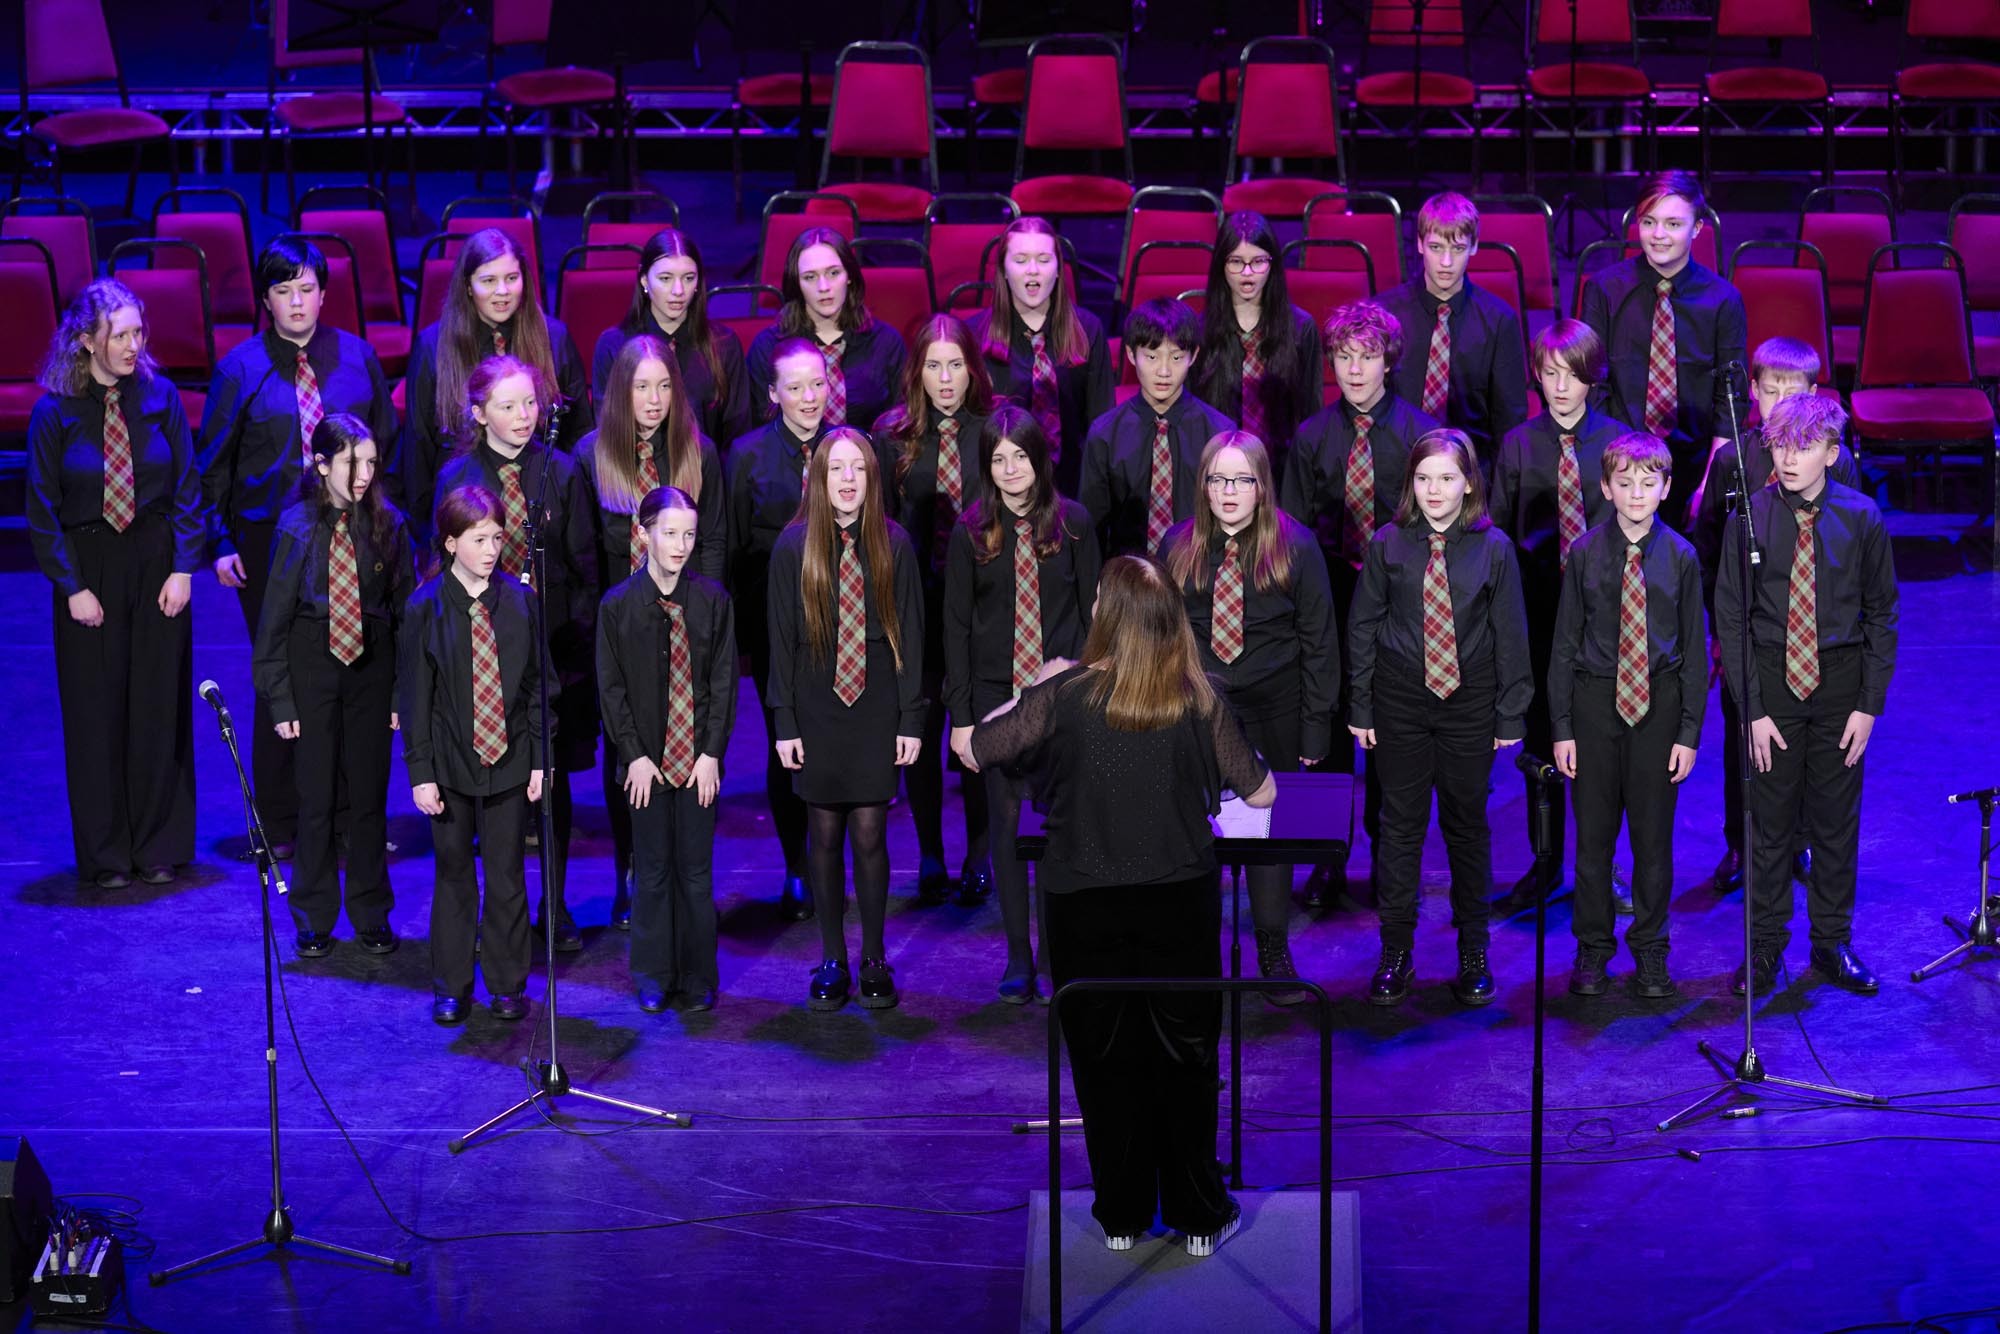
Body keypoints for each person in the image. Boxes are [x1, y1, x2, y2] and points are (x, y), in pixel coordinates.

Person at [970, 554, 1275, 1258]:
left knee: (1104, 1063)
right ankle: (1199, 1213)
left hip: (1084, 907)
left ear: (1106, 616)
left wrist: (1035, 684)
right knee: (1186, 1060)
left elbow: (981, 746)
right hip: (1178, 904)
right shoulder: (1194, 696)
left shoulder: (1066, 695)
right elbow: (1260, 794)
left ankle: (1122, 1215)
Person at [200, 236, 397, 857]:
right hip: (269, 540)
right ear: (265, 299)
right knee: (283, 668)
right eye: (283, 291)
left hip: (349, 529)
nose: (296, 302)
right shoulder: (239, 369)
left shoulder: (358, 358)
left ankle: (346, 812)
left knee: (351, 664)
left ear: (323, 293)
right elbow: (214, 466)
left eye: (307, 289)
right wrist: (220, 540)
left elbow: (386, 449)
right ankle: (282, 818)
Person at [1714, 394, 1897, 998]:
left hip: (1841, 686)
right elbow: (1732, 620)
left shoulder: (1863, 518)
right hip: (1773, 685)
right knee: (1768, 825)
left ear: (1831, 452)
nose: (1789, 459)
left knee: (1836, 822)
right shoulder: (1749, 518)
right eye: (1781, 445)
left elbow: (1882, 616)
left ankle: (1832, 944)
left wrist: (1868, 705)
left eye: (1804, 446)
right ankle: (1764, 949)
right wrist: (1753, 710)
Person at [26, 279, 202, 889]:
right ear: (85, 341)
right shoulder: (54, 412)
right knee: (96, 711)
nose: (133, 345)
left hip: (155, 561)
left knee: (157, 705)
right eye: (119, 335)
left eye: (137, 332)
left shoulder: (161, 397)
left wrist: (183, 568)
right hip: (89, 565)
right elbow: (42, 509)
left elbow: (187, 487)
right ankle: (104, 854)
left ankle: (158, 843)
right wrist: (71, 585)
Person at [1347, 429, 1531, 1008]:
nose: (1434, 489)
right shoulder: (1388, 544)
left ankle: (1472, 948)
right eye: (1424, 478)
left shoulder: (1493, 547)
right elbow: (1363, 627)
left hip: (1469, 701)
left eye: (1447, 478)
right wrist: (1361, 705)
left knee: (1466, 825)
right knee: (1399, 826)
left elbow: (1511, 634)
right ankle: (1395, 950)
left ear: (1469, 483)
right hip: (1400, 699)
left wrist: (1511, 714)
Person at [1159, 431, 1338, 1006]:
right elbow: (1162, 639)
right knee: (1193, 831)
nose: (1228, 491)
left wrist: (1315, 728)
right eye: (1217, 479)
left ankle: (1272, 943)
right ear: (1203, 485)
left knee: (1269, 834)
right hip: (1200, 711)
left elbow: (1320, 642)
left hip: (1275, 709)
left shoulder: (1296, 546)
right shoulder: (1178, 545)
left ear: (1261, 485)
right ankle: (1195, 945)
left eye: (1240, 479)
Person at [434, 356, 601, 951]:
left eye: (530, 403)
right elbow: (443, 576)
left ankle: (553, 908)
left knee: (548, 787)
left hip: (546, 657)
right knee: (485, 797)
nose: (523, 416)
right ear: (479, 414)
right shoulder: (457, 475)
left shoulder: (559, 469)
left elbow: (584, 568)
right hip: (478, 661)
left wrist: (570, 650)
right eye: (507, 405)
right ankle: (492, 917)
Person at [1689, 336, 1859, 897]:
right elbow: (1709, 547)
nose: (1780, 401)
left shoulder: (1838, 461)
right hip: (1749, 630)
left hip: (1812, 628)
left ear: (1814, 394)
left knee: (1810, 741)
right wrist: (1718, 633)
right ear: (1754, 394)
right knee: (1745, 737)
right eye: (1769, 390)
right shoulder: (1732, 458)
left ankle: (1800, 839)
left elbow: (1848, 543)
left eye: (1794, 391)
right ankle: (1741, 841)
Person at [1280, 300, 1440, 887]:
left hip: (1400, 602)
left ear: (1388, 361)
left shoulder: (1422, 436)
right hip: (1331, 597)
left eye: (1366, 357)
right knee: (1328, 731)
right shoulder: (1311, 436)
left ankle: (1385, 861)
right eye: (1344, 357)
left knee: (1390, 741)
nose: (1353, 370)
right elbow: (1292, 536)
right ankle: (1326, 857)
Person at [944, 405, 1101, 1003]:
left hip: (1060, 697)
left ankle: (1062, 950)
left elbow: (1095, 618)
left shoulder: (1076, 524)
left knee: (1061, 829)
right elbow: (955, 629)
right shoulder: (970, 532)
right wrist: (961, 721)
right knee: (1007, 829)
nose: (1011, 470)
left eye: (1021, 456)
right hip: (994, 703)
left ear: (1041, 459)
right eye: (998, 459)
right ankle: (1018, 956)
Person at [768, 428, 926, 1010]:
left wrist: (912, 717)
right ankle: (833, 957)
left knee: (869, 832)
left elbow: (910, 632)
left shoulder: (895, 543)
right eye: (836, 469)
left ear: (871, 477)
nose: (848, 479)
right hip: (816, 704)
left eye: (857, 468)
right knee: (825, 834)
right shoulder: (793, 547)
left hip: (877, 704)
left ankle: (874, 956)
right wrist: (784, 720)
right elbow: (780, 642)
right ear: (819, 477)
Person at [1548, 433, 1706, 999]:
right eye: (1625, 482)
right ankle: (1592, 949)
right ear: (1606, 487)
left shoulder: (1682, 557)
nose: (1636, 493)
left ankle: (1652, 950)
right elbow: (1564, 645)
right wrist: (1562, 729)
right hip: (1594, 707)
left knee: (1652, 841)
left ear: (1666, 488)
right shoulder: (1586, 552)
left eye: (1648, 483)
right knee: (1593, 841)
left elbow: (1693, 650)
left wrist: (1688, 732)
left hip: (1657, 710)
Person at [252, 414, 414, 958]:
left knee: (368, 796)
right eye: (351, 463)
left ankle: (371, 910)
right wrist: (279, 697)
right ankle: (314, 913)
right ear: (321, 466)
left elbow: (406, 618)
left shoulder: (388, 525)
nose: (364, 474)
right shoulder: (297, 526)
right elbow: (272, 622)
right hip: (313, 662)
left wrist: (399, 695)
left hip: (371, 666)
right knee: (316, 797)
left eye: (371, 462)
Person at [577, 334, 724, 926]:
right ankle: (630, 869)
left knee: (685, 753)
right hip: (626, 629)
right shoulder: (592, 455)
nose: (655, 398)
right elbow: (585, 555)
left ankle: (684, 877)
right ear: (620, 390)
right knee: (629, 749)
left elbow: (711, 543)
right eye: (642, 386)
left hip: (687, 622)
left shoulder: (699, 452)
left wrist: (705, 617)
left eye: (664, 385)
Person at [1489, 320, 1631, 905]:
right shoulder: (1519, 444)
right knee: (1543, 749)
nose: (1560, 387)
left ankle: (1603, 870)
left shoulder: (1619, 443)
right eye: (1549, 374)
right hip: (1539, 612)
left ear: (1592, 377)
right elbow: (1497, 532)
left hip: (1606, 614)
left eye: (1571, 375)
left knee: (1603, 746)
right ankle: (1544, 865)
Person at [398, 483, 546, 1026]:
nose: (491, 550)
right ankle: (452, 984)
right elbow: (415, 698)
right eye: (479, 539)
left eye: (497, 538)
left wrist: (539, 759)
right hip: (452, 765)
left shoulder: (521, 603)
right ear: (450, 543)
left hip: (509, 760)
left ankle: (508, 984)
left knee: (507, 874)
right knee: (454, 872)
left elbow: (536, 686)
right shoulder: (425, 607)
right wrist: (421, 773)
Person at [596, 486, 738, 1012]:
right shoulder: (618, 606)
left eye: (689, 535)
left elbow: (722, 685)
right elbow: (610, 690)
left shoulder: (712, 602)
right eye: (670, 533)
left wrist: (711, 754)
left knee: (695, 871)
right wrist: (633, 753)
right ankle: (654, 972)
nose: (680, 545)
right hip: (644, 764)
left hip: (697, 760)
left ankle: (698, 974)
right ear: (644, 532)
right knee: (652, 870)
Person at [873, 313, 996, 905]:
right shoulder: (891, 434)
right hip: (915, 602)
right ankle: (928, 852)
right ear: (916, 371)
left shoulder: (995, 429)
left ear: (972, 369)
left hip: (979, 604)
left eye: (955, 365)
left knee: (975, 727)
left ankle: (979, 851)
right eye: (933, 366)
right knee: (919, 728)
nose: (945, 379)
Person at [1580, 170, 1747, 529]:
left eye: (1673, 223)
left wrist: (1709, 483)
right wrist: (1609, 471)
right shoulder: (1605, 290)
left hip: (1693, 462)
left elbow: (1729, 400)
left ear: (1697, 228)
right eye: (1649, 222)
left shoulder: (1723, 299)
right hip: (1619, 457)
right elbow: (1591, 385)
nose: (1658, 235)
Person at [398, 228, 593, 535]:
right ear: (468, 285)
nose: (502, 291)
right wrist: (426, 534)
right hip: (463, 509)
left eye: (512, 279)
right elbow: (419, 445)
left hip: (544, 504)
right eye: (489, 281)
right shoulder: (433, 346)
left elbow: (579, 432)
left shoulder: (554, 338)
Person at [727, 337, 829, 920]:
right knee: (785, 744)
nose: (809, 396)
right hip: (776, 629)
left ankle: (827, 858)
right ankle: (796, 865)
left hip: (843, 625)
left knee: (834, 741)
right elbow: (736, 551)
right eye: (795, 387)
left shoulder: (851, 447)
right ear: (773, 394)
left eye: (816, 384)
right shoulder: (746, 456)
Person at [1376, 192, 1529, 478]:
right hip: (1394, 470)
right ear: (1419, 244)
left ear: (1474, 247)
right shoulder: (1384, 314)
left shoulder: (1499, 320)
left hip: (1470, 473)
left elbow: (1508, 420)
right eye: (1435, 247)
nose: (1446, 262)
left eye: (1457, 249)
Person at [966, 216, 1115, 493]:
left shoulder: (1088, 329)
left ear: (1059, 269)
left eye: (1044, 260)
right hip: (998, 489)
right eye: (1021, 260)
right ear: (1004, 269)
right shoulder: (974, 335)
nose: (1033, 270)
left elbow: (1101, 422)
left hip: (1072, 486)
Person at [1079, 298, 1233, 557]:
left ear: (1193, 356)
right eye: (1151, 356)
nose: (1164, 371)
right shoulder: (1105, 433)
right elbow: (1092, 525)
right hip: (1128, 577)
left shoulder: (1219, 432)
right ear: (1130, 354)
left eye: (1176, 357)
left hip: (1198, 574)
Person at [590, 227, 751, 447]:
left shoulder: (724, 344)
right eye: (665, 278)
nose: (678, 290)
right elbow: (607, 432)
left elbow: (737, 435)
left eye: (688, 278)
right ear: (645, 281)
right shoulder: (613, 345)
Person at [1192, 210, 1324, 477]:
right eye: (1236, 262)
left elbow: (1311, 413)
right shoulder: (1200, 331)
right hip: (1220, 473)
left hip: (1283, 473)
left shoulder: (1301, 329)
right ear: (1221, 265)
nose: (1247, 273)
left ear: (1273, 263)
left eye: (1258, 262)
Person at [746, 227, 907, 434]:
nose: (823, 287)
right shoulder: (768, 347)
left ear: (849, 276)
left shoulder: (886, 343)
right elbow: (760, 432)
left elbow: (899, 427)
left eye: (833, 273)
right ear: (797, 282)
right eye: (810, 277)